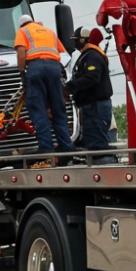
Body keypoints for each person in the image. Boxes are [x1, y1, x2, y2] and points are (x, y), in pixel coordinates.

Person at [14, 14, 76, 161]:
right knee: (58, 108)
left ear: (21, 24)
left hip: (36, 68)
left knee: (38, 107)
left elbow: (21, 52)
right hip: (54, 69)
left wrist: (22, 73)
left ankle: (46, 147)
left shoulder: (23, 31)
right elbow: (62, 53)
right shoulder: (49, 31)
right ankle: (66, 145)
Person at [68, 27, 115, 163]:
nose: (75, 43)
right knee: (91, 142)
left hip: (96, 107)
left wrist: (71, 86)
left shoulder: (92, 55)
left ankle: (104, 171)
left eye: (76, 40)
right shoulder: (87, 55)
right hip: (91, 107)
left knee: (97, 146)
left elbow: (92, 77)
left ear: (83, 40)